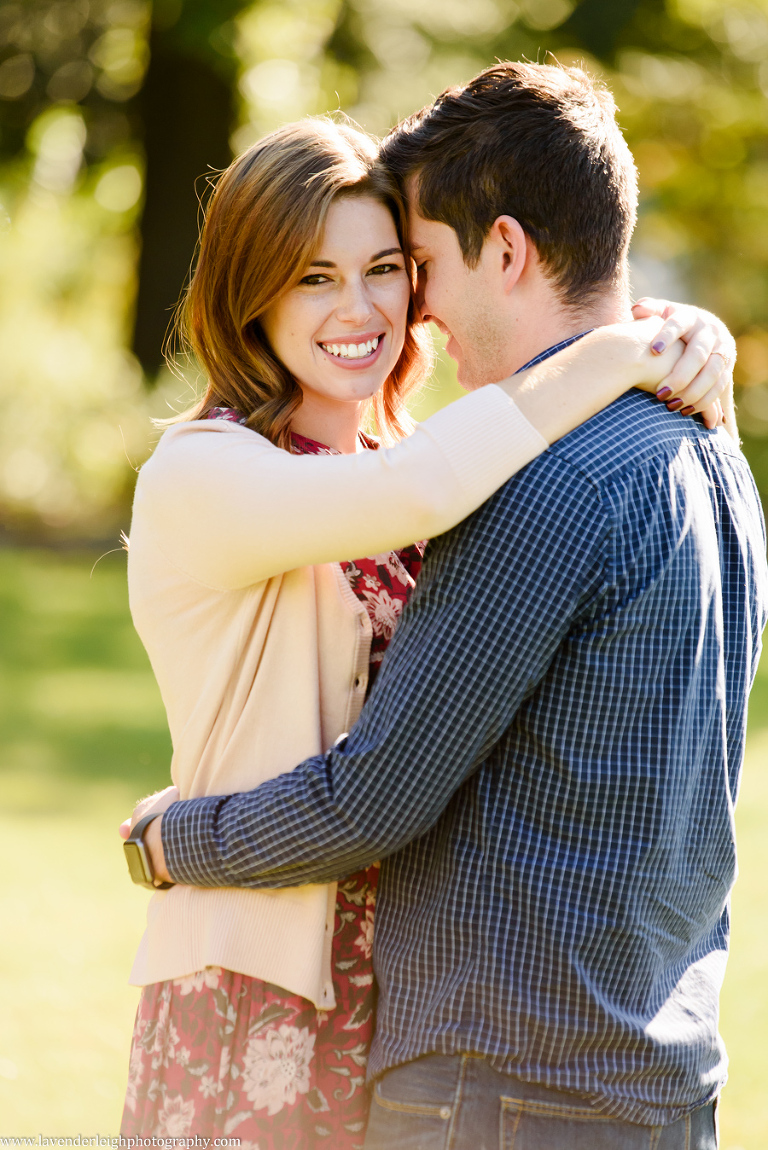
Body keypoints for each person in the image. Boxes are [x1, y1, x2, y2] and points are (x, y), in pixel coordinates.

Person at [130, 63, 767, 1149]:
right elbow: (411, 493)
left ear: (507, 249)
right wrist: (634, 342)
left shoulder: (504, 471)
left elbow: (377, 784)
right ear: (251, 293)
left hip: (445, 1028)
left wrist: (651, 340)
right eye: (312, 277)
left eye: (397, 265)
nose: (386, 305)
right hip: (275, 977)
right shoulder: (216, 473)